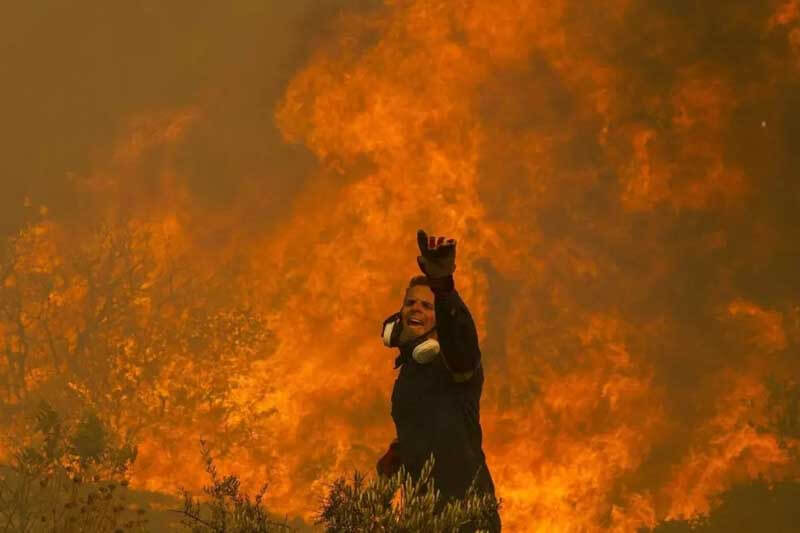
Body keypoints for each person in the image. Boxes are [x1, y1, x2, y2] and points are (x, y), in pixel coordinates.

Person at [377, 229, 501, 532]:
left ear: (439, 320)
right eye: (410, 304)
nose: (416, 309)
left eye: (427, 306)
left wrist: (443, 288)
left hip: (468, 520)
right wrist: (400, 452)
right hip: (424, 519)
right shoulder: (410, 371)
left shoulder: (455, 364)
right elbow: (432, 425)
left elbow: (460, 339)